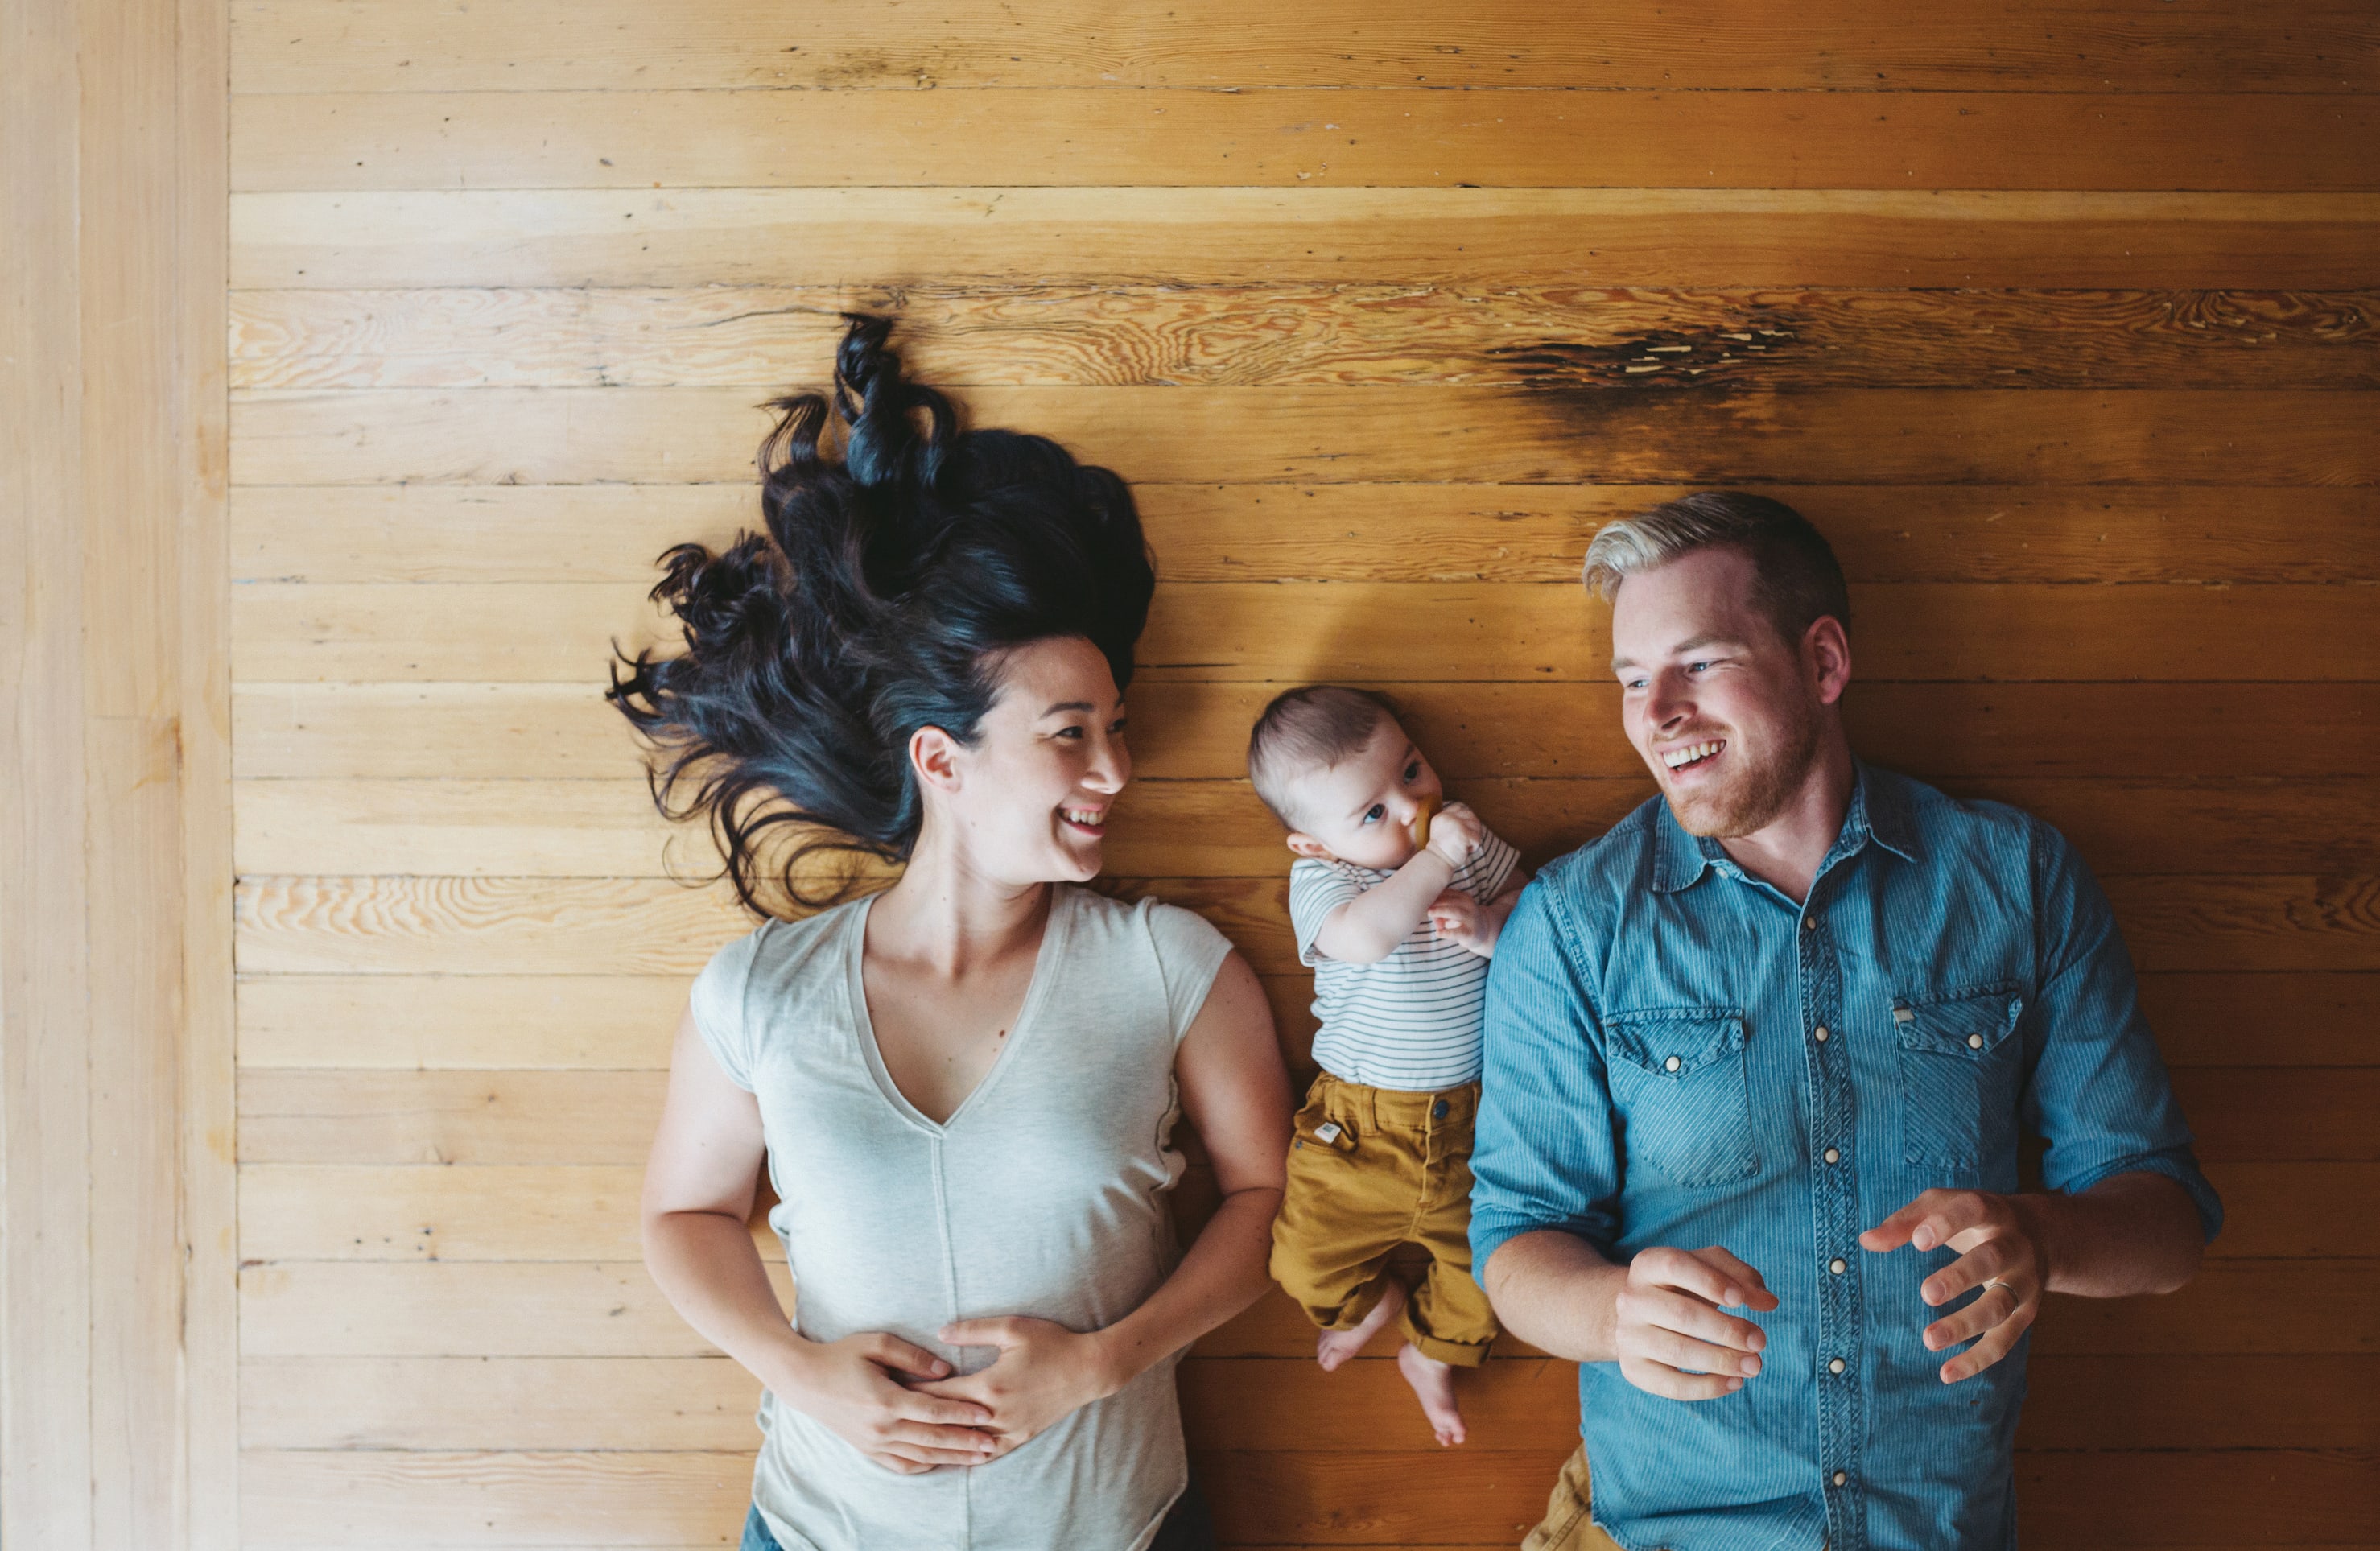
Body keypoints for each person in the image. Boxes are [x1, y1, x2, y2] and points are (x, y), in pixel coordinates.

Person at [609, 316, 1292, 1551]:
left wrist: (1100, 1361)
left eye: (1121, 728)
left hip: (1115, 1527)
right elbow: (685, 1218)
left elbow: (1267, 1199)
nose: (1117, 768)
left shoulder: (1170, 966)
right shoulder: (760, 991)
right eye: (1072, 730)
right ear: (943, 759)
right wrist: (800, 1368)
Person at [1469, 493, 2221, 1551]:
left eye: (1699, 661)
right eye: (1633, 679)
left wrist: (2043, 1237)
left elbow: (2166, 1221)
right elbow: (1512, 1242)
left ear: (1822, 663)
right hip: (1665, 1529)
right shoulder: (1570, 923)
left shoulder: (2017, 878)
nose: (1656, 712)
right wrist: (1609, 1312)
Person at [1246, 687, 1528, 1445]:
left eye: (1410, 770)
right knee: (1300, 1262)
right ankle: (1370, 1303)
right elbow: (1365, 938)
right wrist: (1436, 860)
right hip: (1357, 1132)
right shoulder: (1332, 881)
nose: (1410, 806)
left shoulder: (1466, 848)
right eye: (1371, 812)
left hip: (1471, 1121)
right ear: (1314, 843)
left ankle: (1429, 1351)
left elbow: (1525, 905)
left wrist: (1490, 924)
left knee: (1496, 1271)